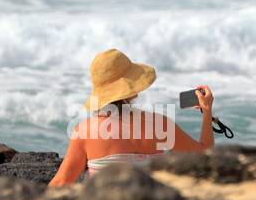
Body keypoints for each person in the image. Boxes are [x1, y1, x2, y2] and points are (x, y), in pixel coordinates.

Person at [47, 49, 214, 187]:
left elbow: (60, 183)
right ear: (131, 88)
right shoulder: (160, 126)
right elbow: (206, 156)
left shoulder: (84, 132)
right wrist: (207, 111)